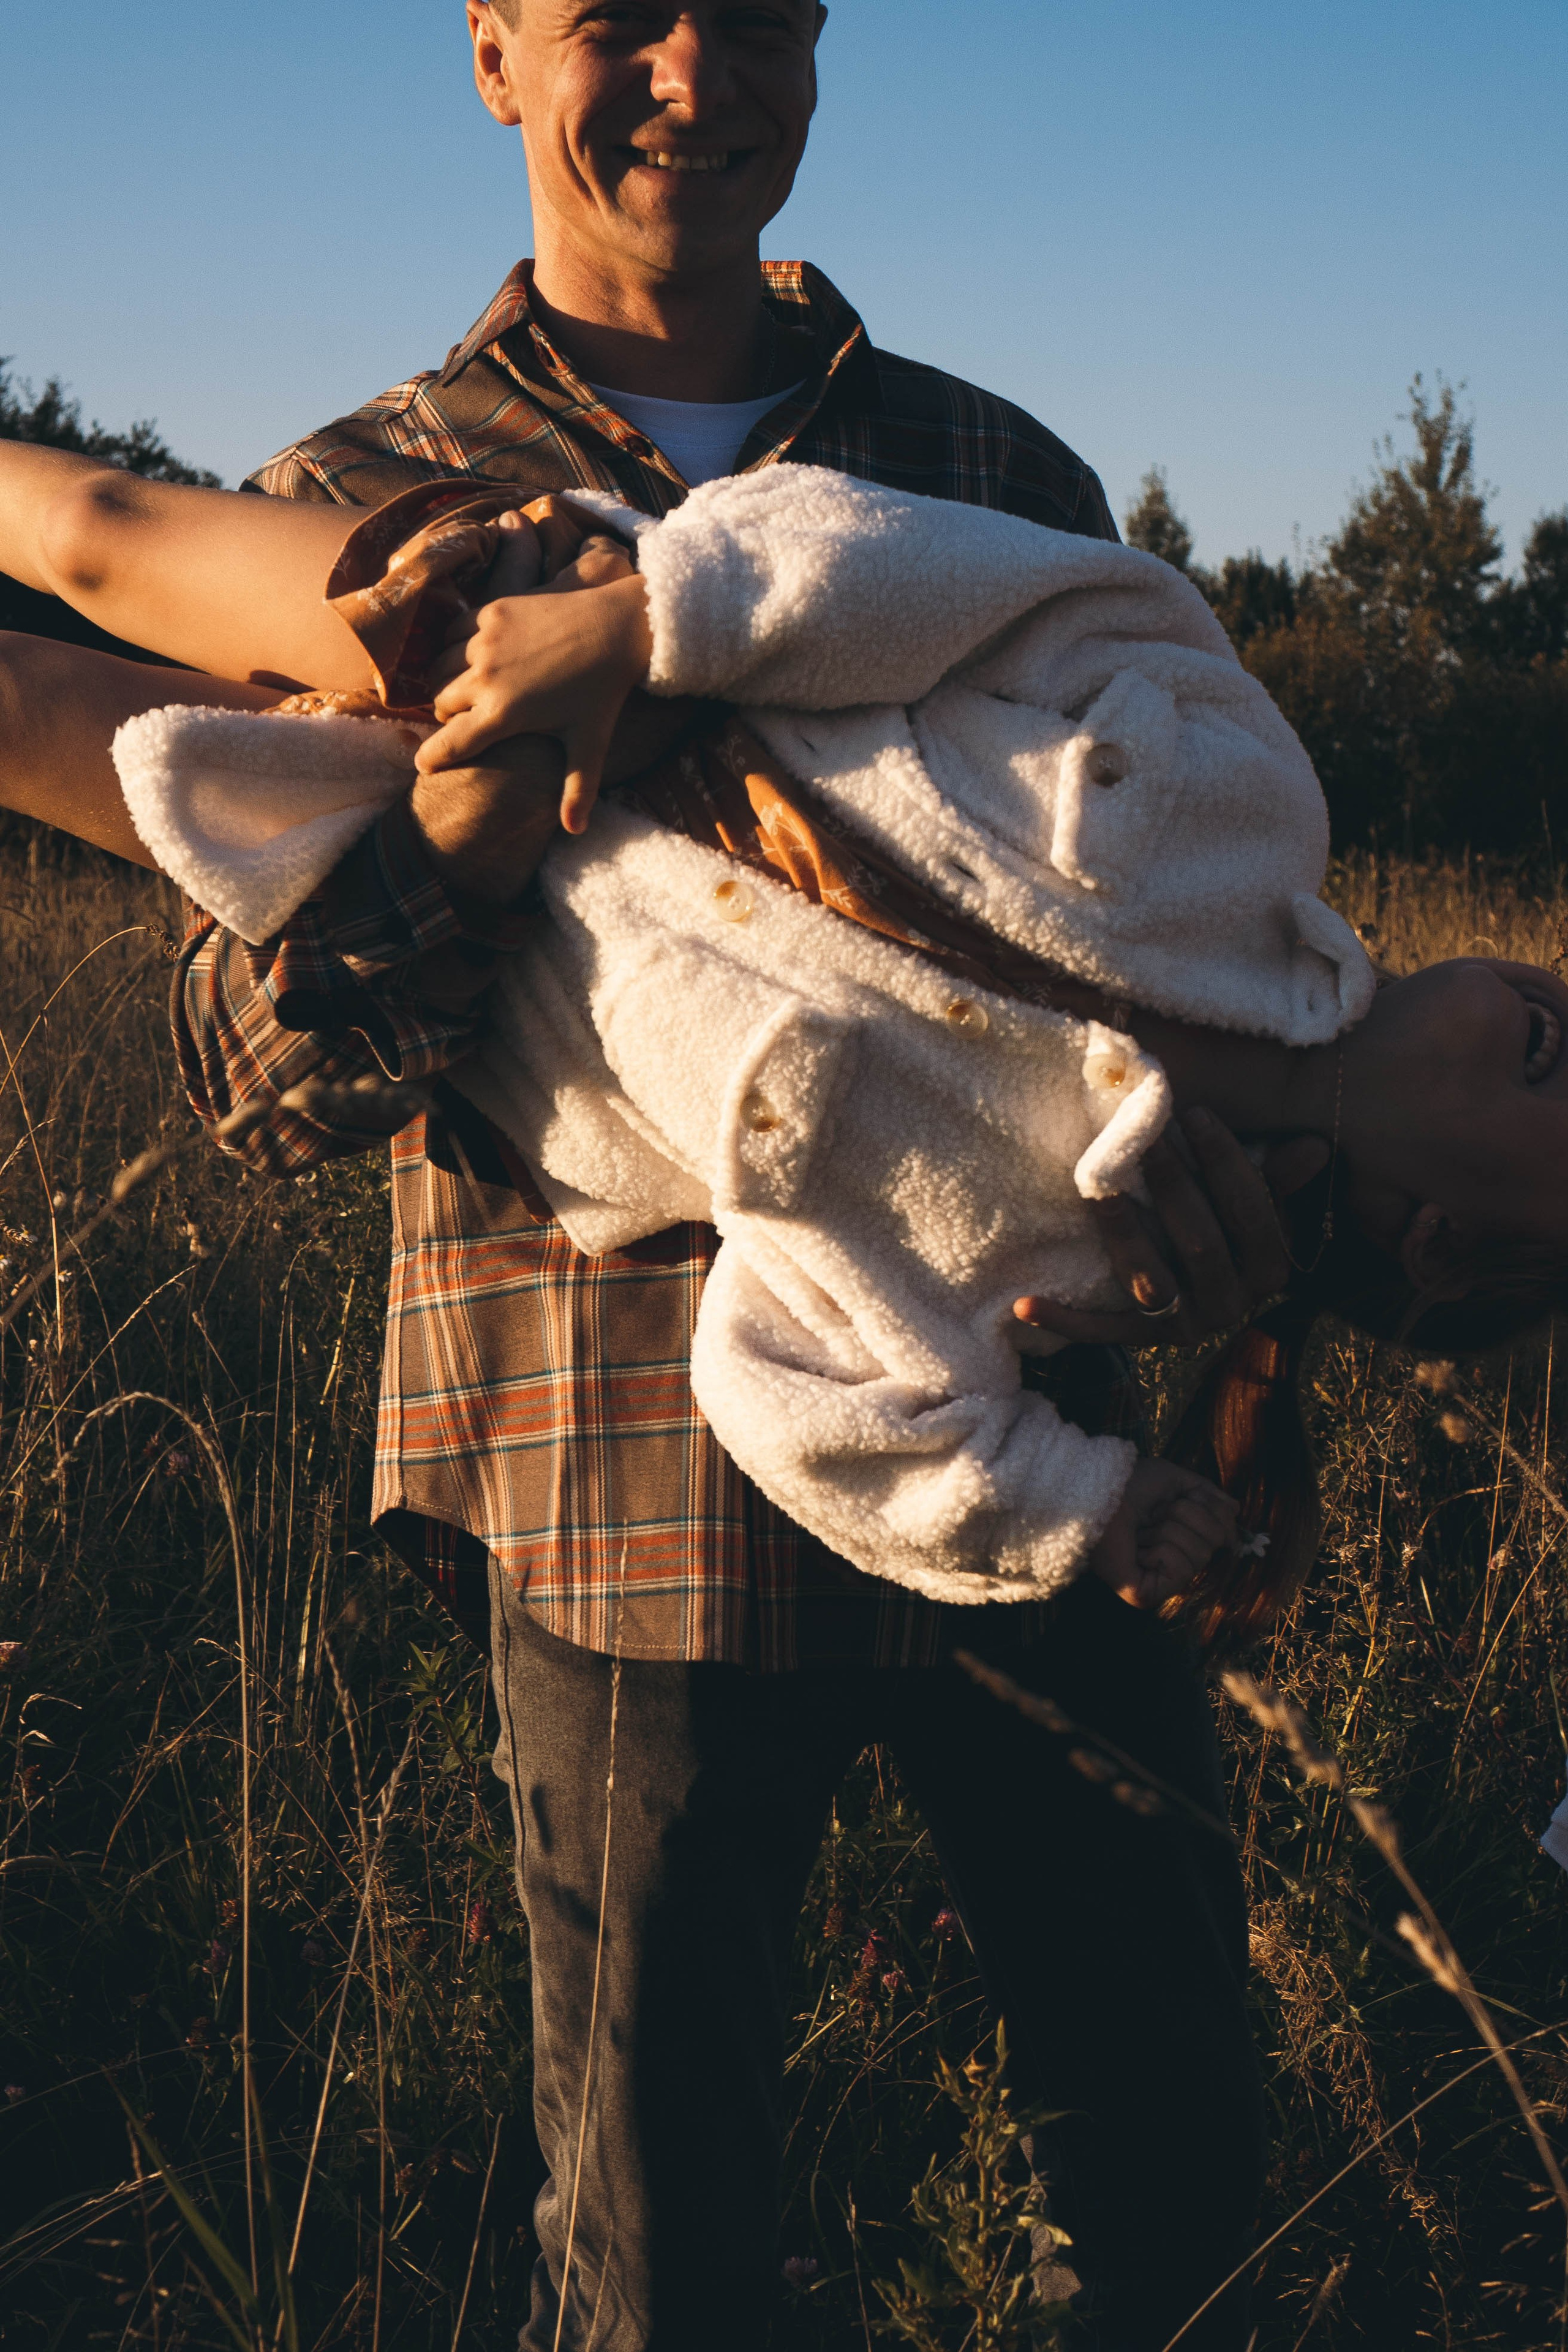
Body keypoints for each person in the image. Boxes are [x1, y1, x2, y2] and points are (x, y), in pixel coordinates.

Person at [0, 7, 1411, 2343]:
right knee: (663, 2262)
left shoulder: (981, 464)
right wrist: (450, 825)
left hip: (1060, 1462)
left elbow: (1198, 964)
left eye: (756, 12)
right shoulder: (374, 487)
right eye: (612, 16)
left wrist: (1257, 1375)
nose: (692, 68)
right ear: (487, 55)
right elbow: (261, 1083)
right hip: (627, 1509)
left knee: (1171, 2195)